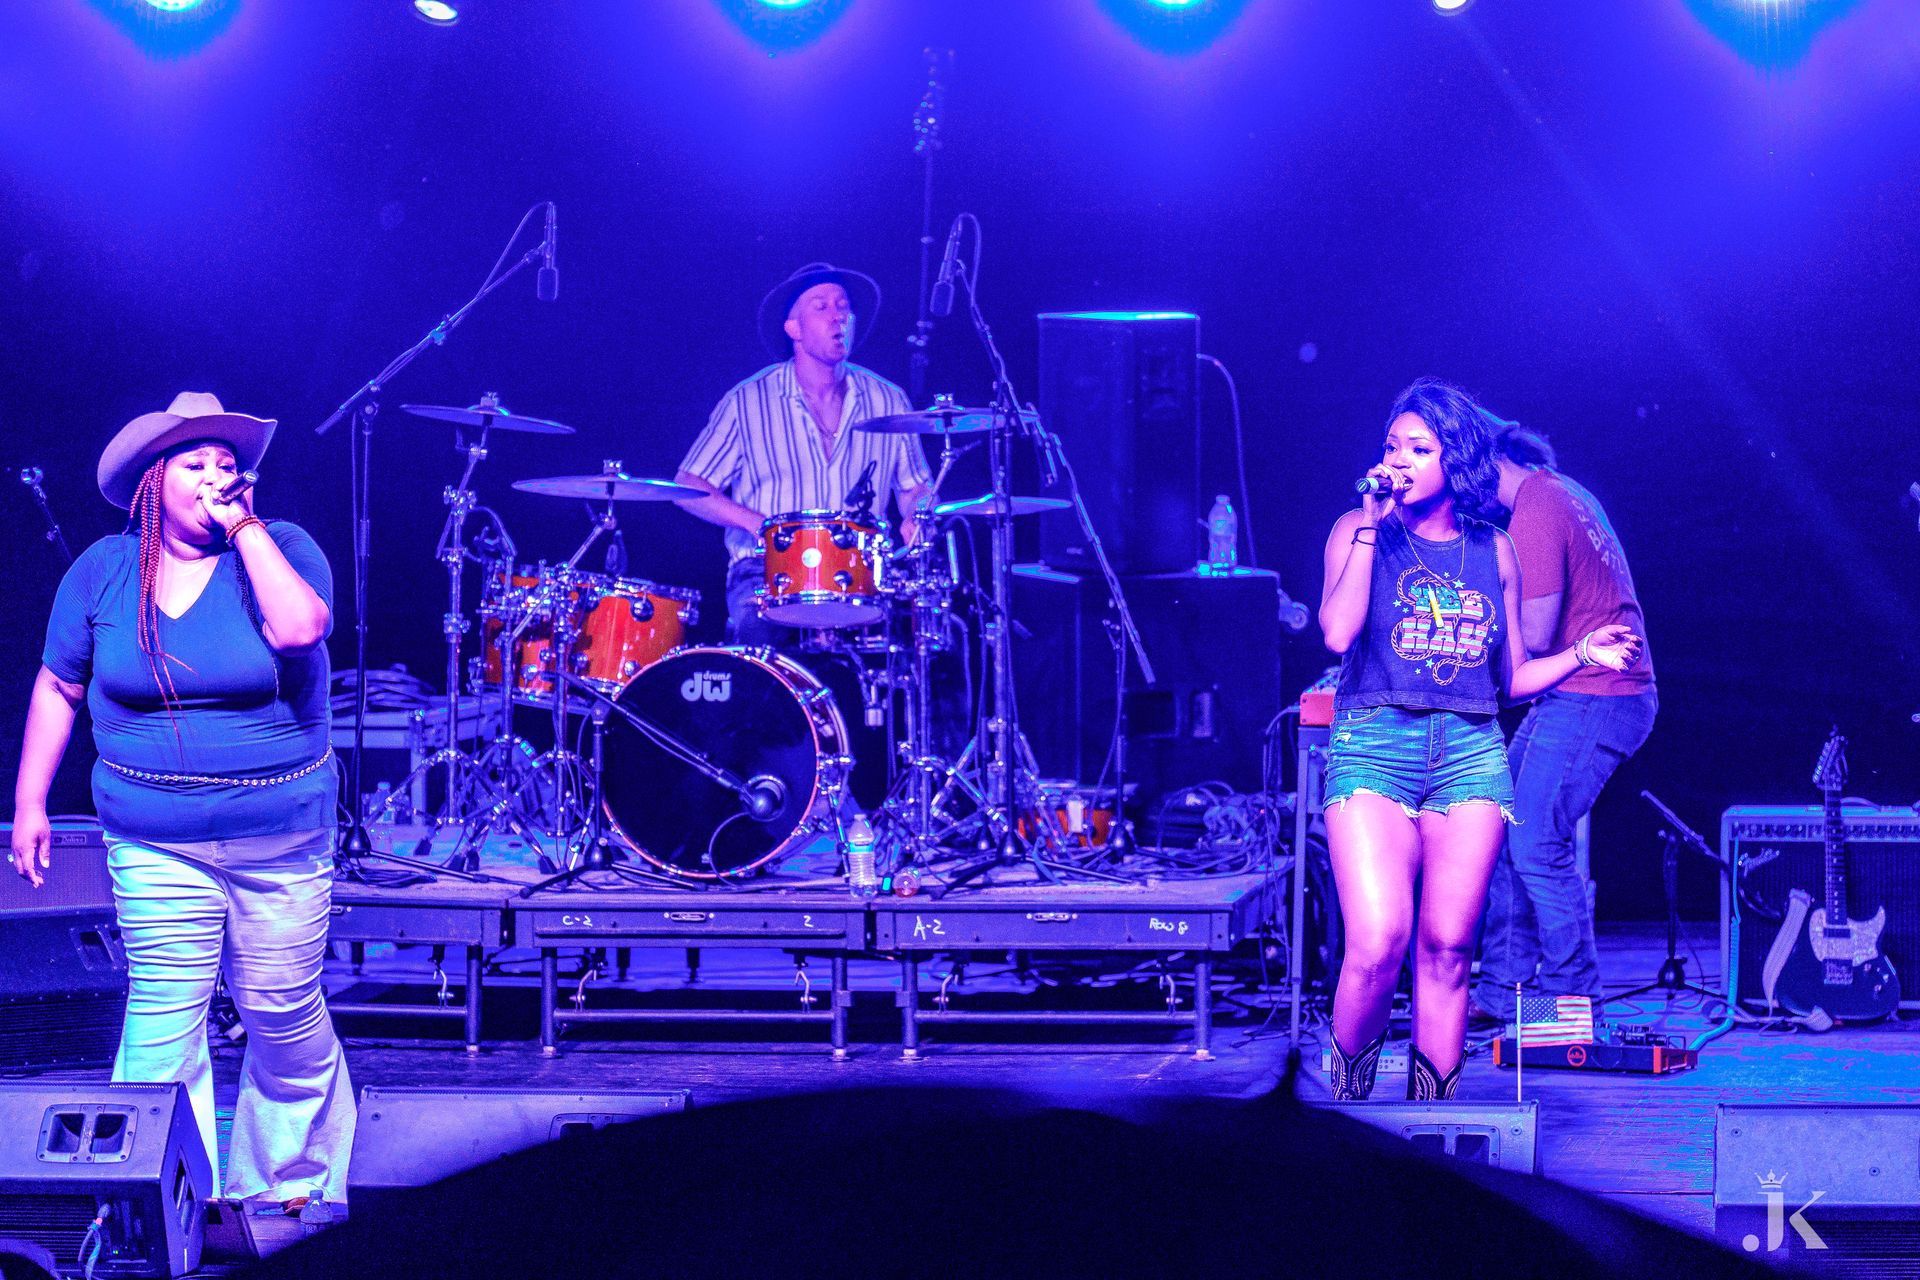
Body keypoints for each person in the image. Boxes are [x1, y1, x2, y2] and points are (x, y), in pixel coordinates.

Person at [10, 392, 355, 1209]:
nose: (214, 476)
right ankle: (165, 1201)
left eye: (226, 463)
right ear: (152, 482)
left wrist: (246, 528)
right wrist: (29, 803)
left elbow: (300, 630)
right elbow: (59, 685)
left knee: (279, 1013)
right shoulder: (103, 571)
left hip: (279, 832)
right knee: (164, 1015)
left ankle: (287, 1191)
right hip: (151, 834)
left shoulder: (282, 548)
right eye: (194, 463)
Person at [1316, 379, 1642, 1100]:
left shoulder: (1495, 549)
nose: (1398, 461)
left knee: (1448, 950)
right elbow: (1337, 633)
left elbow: (1513, 678)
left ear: (1454, 459)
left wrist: (1583, 654)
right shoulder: (1356, 532)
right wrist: (1369, 524)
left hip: (1469, 753)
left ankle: (1430, 1125)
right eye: (1392, 446)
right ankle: (1345, 1113)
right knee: (1378, 940)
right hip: (1374, 746)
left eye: (1419, 448)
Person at [1470, 425, 1657, 1023]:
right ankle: (1501, 992)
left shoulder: (1537, 507)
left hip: (1597, 694)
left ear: (1490, 459)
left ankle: (1572, 1000)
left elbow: (1536, 635)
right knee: (1505, 827)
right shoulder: (1564, 490)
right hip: (1578, 695)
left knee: (1536, 841)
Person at [673, 262, 932, 647]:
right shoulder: (748, 401)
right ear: (793, 328)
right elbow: (688, 486)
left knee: (921, 637)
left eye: (843, 306)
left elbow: (916, 486)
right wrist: (760, 525)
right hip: (765, 571)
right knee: (762, 635)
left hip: (860, 574)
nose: (837, 315)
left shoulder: (887, 399)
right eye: (821, 306)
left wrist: (917, 514)